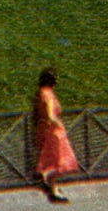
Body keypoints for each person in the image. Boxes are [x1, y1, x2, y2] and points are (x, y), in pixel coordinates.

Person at [32, 67, 79, 202]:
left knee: (50, 159)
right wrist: (59, 124)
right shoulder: (49, 94)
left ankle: (52, 187)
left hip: (42, 128)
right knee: (58, 160)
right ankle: (44, 177)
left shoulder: (40, 92)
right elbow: (51, 115)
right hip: (53, 131)